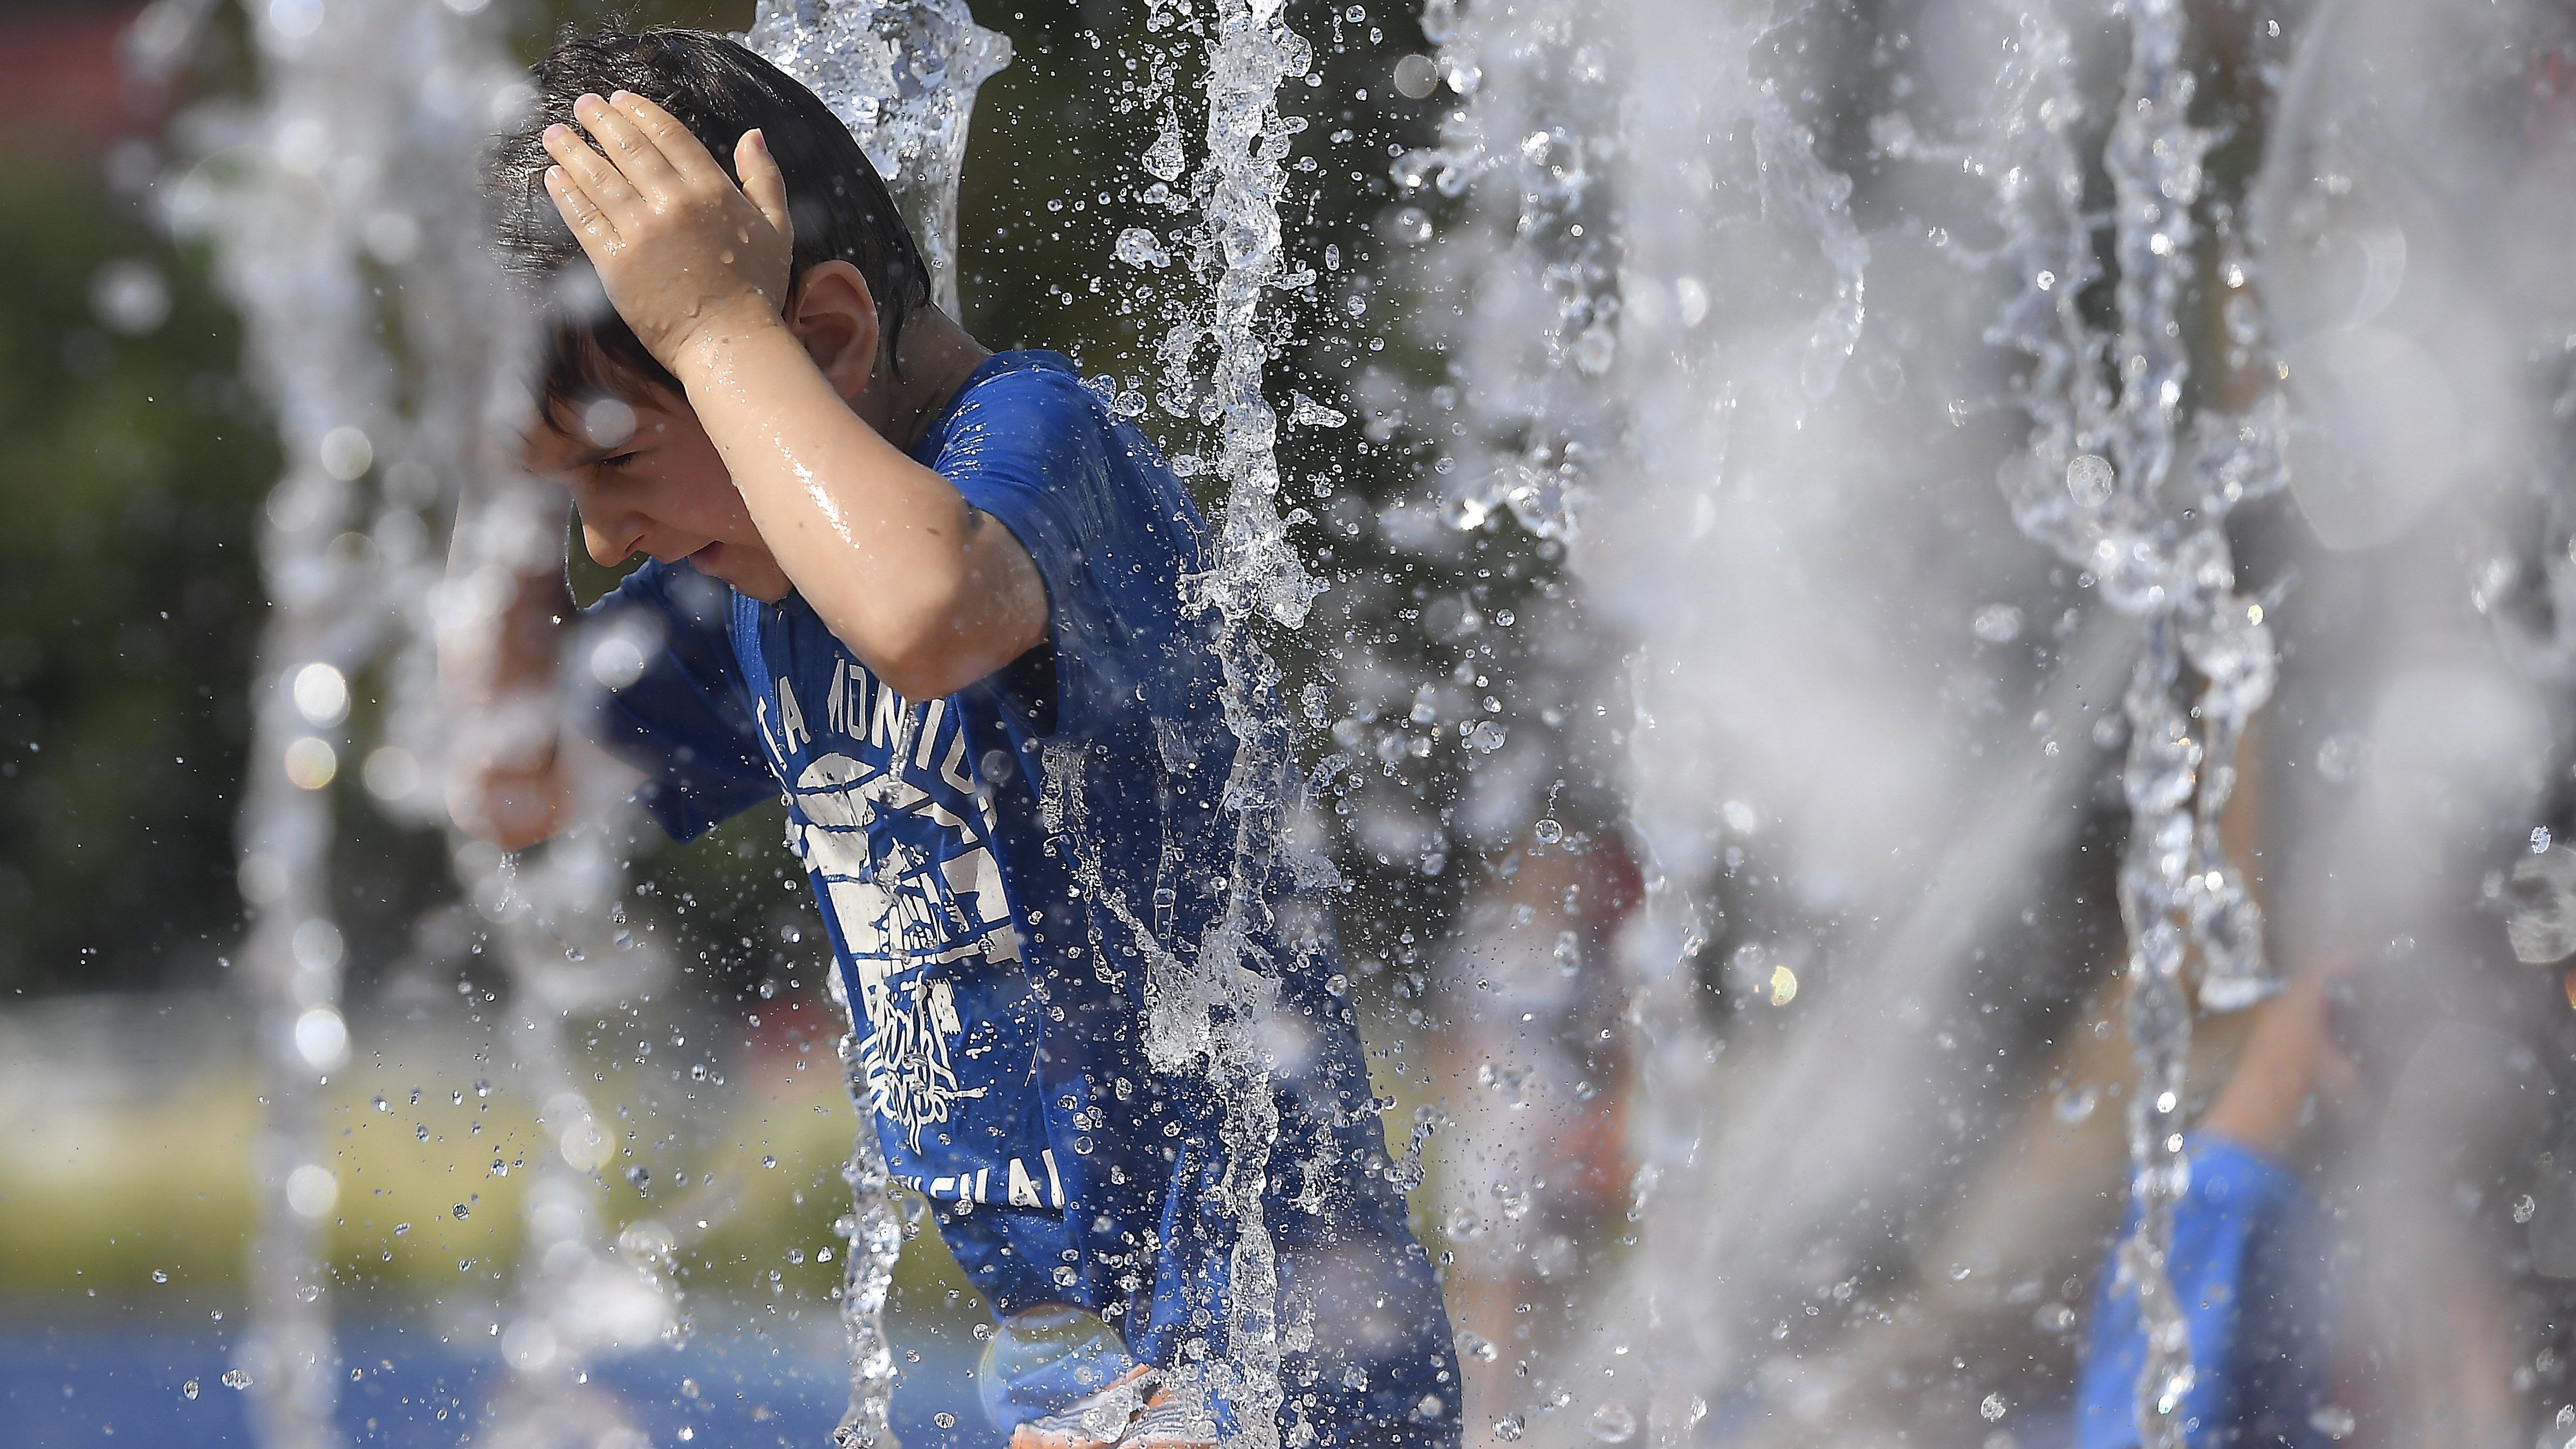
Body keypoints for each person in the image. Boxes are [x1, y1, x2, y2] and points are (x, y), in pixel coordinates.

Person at [446, 24, 1460, 1449]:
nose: (604, 536)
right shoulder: (758, 583)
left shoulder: (1036, 447)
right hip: (1072, 1355)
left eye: (613, 460)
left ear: (826, 340)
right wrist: (500, 496)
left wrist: (717, 333)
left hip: (1261, 1314)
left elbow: (929, 610)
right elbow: (515, 780)